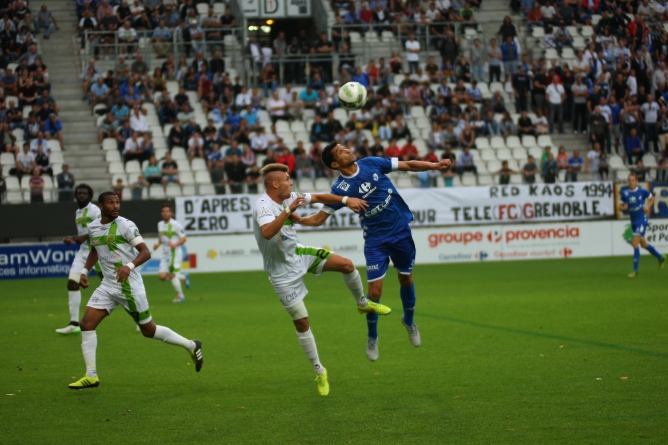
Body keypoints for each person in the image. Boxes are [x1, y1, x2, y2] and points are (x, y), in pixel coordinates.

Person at [293, 144, 451, 362]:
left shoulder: (371, 163)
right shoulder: (340, 189)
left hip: (401, 232)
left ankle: (409, 321)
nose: (348, 150)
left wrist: (434, 165)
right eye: (341, 151)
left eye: (345, 147)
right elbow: (319, 219)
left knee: (406, 279)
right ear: (335, 164)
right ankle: (372, 337)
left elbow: (407, 165)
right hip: (376, 241)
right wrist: (298, 220)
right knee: (374, 293)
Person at [252, 163, 390, 396]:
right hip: (281, 275)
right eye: (287, 179)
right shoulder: (263, 206)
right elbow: (267, 233)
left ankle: (363, 303)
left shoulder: (289, 197)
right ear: (275, 184)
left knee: (346, 264)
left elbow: (318, 196)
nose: (291, 182)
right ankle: (319, 370)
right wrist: (288, 212)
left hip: (298, 254)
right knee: (302, 323)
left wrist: (345, 200)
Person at [69, 192, 203, 389]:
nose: (115, 206)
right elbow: (95, 249)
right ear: (101, 206)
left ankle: (191, 345)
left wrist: (128, 266)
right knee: (86, 324)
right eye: (110, 203)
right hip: (107, 285)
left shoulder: (125, 225)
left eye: (117, 202)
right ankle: (91, 375)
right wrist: (84, 270)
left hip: (129, 286)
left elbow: (145, 252)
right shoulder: (94, 227)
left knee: (149, 331)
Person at [56, 184, 102, 335]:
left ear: (90, 196)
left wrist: (82, 237)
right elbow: (83, 234)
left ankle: (140, 318)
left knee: (117, 286)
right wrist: (73, 238)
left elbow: (103, 228)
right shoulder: (77, 212)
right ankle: (74, 324)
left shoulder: (95, 210)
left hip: (100, 251)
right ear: (75, 196)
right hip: (84, 252)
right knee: (72, 283)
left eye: (84, 193)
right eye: (79, 193)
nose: (81, 195)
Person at [619, 173, 667, 278]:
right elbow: (620, 206)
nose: (631, 182)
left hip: (642, 219)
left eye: (633, 180)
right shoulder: (625, 193)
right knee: (644, 245)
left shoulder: (642, 191)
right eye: (629, 180)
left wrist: (648, 207)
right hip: (633, 221)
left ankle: (635, 270)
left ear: (636, 181)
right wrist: (623, 208)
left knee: (634, 243)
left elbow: (652, 198)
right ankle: (660, 257)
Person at [153, 205, 190, 303]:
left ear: (171, 213)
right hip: (165, 254)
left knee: (172, 275)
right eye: (163, 211)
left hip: (174, 252)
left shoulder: (176, 224)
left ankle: (181, 296)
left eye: (167, 211)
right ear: (162, 213)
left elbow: (184, 238)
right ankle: (183, 277)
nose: (165, 213)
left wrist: (175, 244)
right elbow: (161, 237)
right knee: (162, 277)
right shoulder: (160, 224)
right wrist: (158, 244)